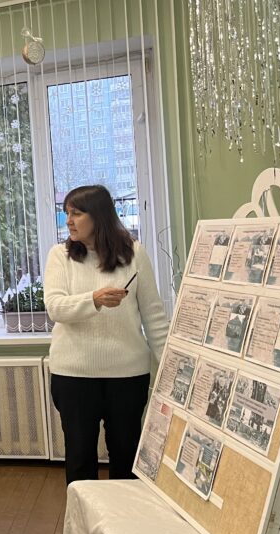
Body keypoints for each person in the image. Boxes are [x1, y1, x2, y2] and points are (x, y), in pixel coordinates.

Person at [44, 184, 168, 484]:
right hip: (73, 376)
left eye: (76, 213)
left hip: (127, 376)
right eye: (66, 213)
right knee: (80, 462)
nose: (69, 221)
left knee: (127, 461)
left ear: (99, 216)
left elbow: (154, 316)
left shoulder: (134, 253)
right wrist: (94, 300)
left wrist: (171, 369)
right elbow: (55, 307)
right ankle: (82, 517)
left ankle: (125, 516)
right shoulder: (60, 255)